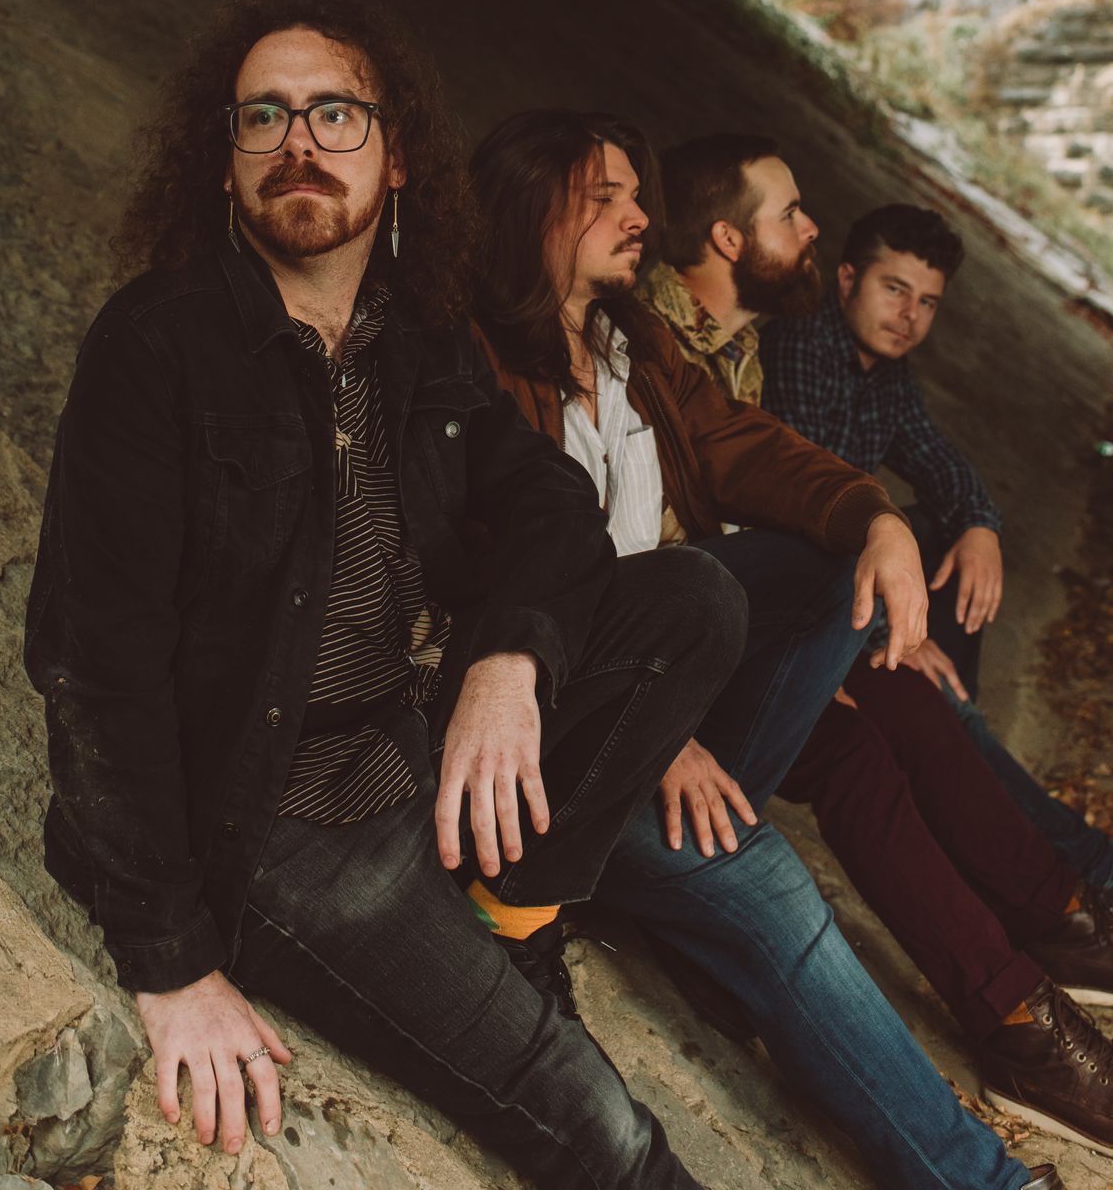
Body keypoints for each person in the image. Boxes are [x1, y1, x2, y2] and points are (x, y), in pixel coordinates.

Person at [23, 0, 753, 1190]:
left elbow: (551, 503)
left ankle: (511, 916)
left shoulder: (415, 335)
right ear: (224, 159)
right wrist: (173, 967)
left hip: (409, 743)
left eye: (335, 113)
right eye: (263, 116)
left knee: (692, 599)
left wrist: (509, 660)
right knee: (602, 1129)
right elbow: (95, 667)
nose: (297, 141)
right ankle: (489, 979)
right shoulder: (157, 346)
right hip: (280, 821)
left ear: (395, 154)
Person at [469, 107, 1064, 1190]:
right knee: (778, 886)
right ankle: (990, 1179)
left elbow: (750, 449)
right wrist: (657, 733)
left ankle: (706, 877)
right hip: (558, 744)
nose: (638, 217)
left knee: (835, 564)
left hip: (660, 686)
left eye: (636, 194)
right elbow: (496, 599)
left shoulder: (630, 340)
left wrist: (880, 522)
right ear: (534, 211)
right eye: (606, 197)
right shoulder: (474, 363)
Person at [647, 134, 1113, 1158]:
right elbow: (637, 562)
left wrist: (951, 524)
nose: (813, 228)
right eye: (792, 214)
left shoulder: (736, 354)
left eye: (925, 299)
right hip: (664, 690)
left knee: (893, 695)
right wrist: (830, 633)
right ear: (727, 238)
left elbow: (870, 477)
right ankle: (1045, 946)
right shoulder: (673, 346)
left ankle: (1030, 987)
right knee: (879, 672)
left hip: (728, 646)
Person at [758, 196, 1113, 896]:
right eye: (894, 290)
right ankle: (1090, 863)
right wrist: (897, 635)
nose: (909, 316)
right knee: (942, 701)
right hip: (790, 602)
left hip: (845, 584)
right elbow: (812, 525)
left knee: (954, 534)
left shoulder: (885, 373)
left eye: (926, 302)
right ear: (847, 280)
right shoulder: (803, 347)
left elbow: (940, 462)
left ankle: (956, 737)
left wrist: (980, 525)